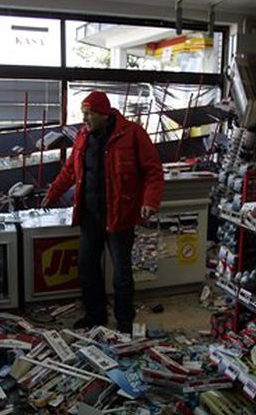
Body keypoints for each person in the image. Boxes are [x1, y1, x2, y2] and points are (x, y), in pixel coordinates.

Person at [41, 91, 164, 333]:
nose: (84, 119)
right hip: (90, 215)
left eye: (88, 114)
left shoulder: (132, 133)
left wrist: (150, 201)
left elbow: (153, 170)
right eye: (83, 114)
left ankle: (124, 320)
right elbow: (69, 170)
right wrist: (53, 193)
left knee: (121, 273)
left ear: (104, 114)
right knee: (87, 268)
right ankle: (96, 316)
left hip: (121, 215)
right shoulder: (82, 137)